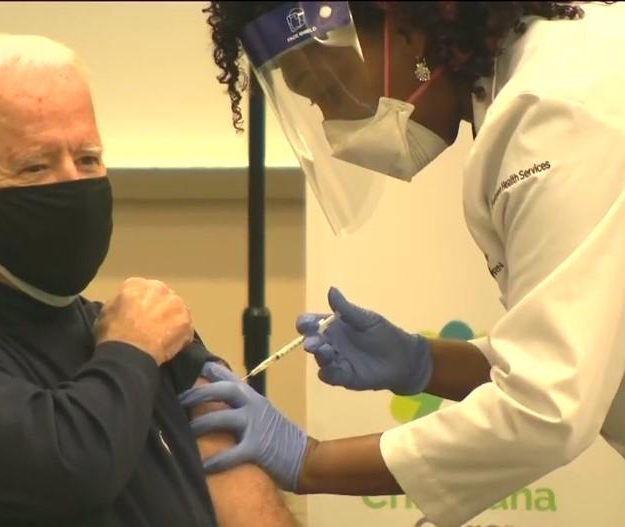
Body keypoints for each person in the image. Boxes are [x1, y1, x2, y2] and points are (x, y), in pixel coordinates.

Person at [180, 2, 625, 526]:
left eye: (325, 89)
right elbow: (579, 349)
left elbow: (546, 408)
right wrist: (424, 363)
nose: (331, 124)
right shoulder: (550, 77)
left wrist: (311, 461)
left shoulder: (553, 112)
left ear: (407, 35)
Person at [0, 34, 297, 527]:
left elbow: (252, 512)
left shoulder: (148, 335)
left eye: (88, 159)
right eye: (34, 166)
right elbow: (72, 470)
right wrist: (132, 348)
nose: (75, 184)